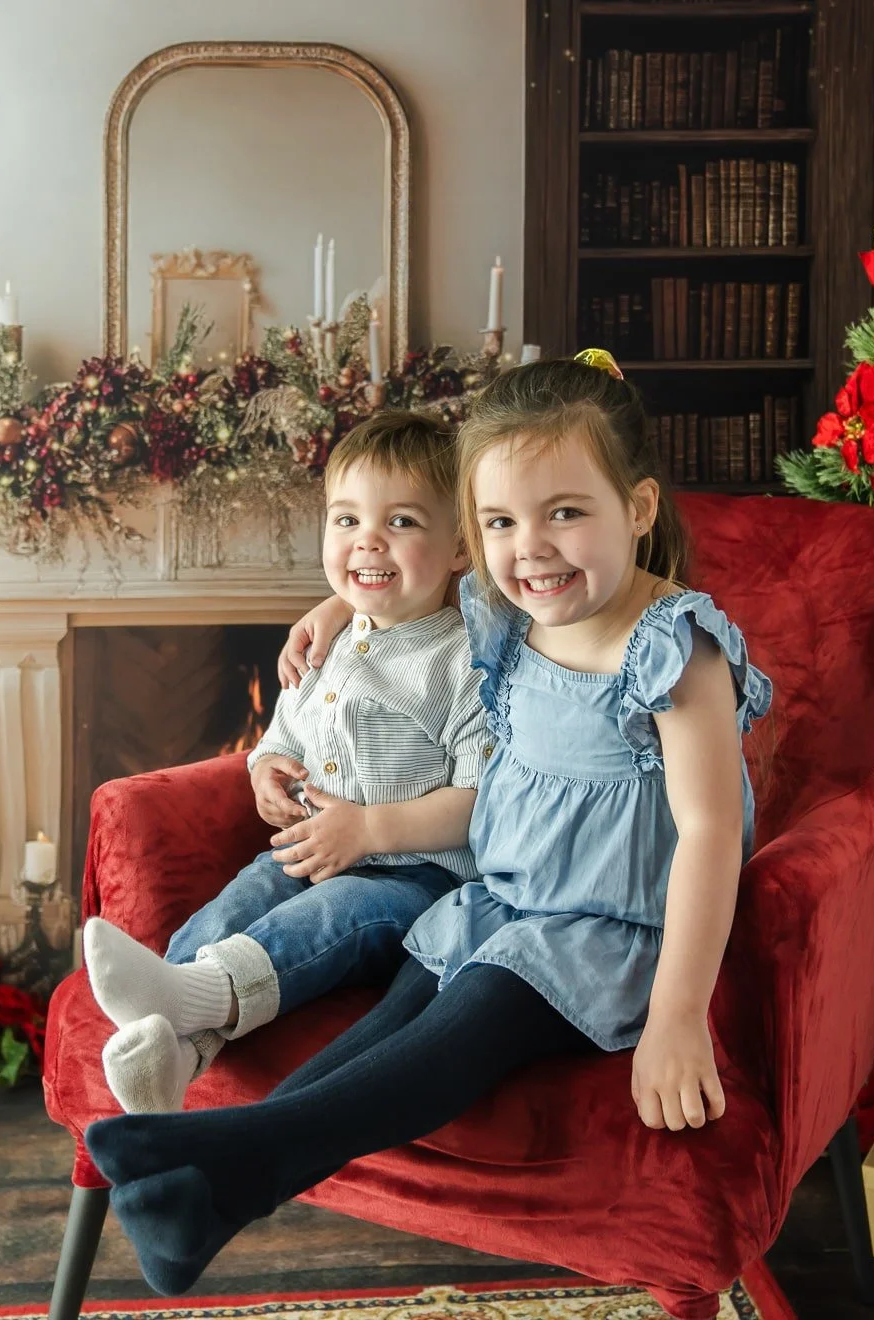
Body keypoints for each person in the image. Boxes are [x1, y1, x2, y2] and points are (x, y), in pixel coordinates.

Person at [85, 351, 772, 1294]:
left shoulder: (673, 649)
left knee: (461, 1030)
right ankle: (206, 1190)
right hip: (498, 901)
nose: (530, 547)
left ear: (640, 509)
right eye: (499, 522)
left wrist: (678, 1017)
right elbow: (405, 579)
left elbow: (710, 834)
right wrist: (334, 606)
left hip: (606, 931)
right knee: (399, 1017)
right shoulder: (516, 607)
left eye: (565, 513)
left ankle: (214, 1167)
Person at [83, 410, 488, 1114]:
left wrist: (368, 831)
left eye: (402, 522)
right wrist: (264, 767)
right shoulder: (326, 642)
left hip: (414, 883)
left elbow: (480, 799)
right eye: (346, 519)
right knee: (244, 896)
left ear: (460, 548)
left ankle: (192, 1006)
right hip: (306, 849)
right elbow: (287, 734)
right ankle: (174, 1046)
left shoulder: (462, 659)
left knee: (338, 911)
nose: (367, 539)